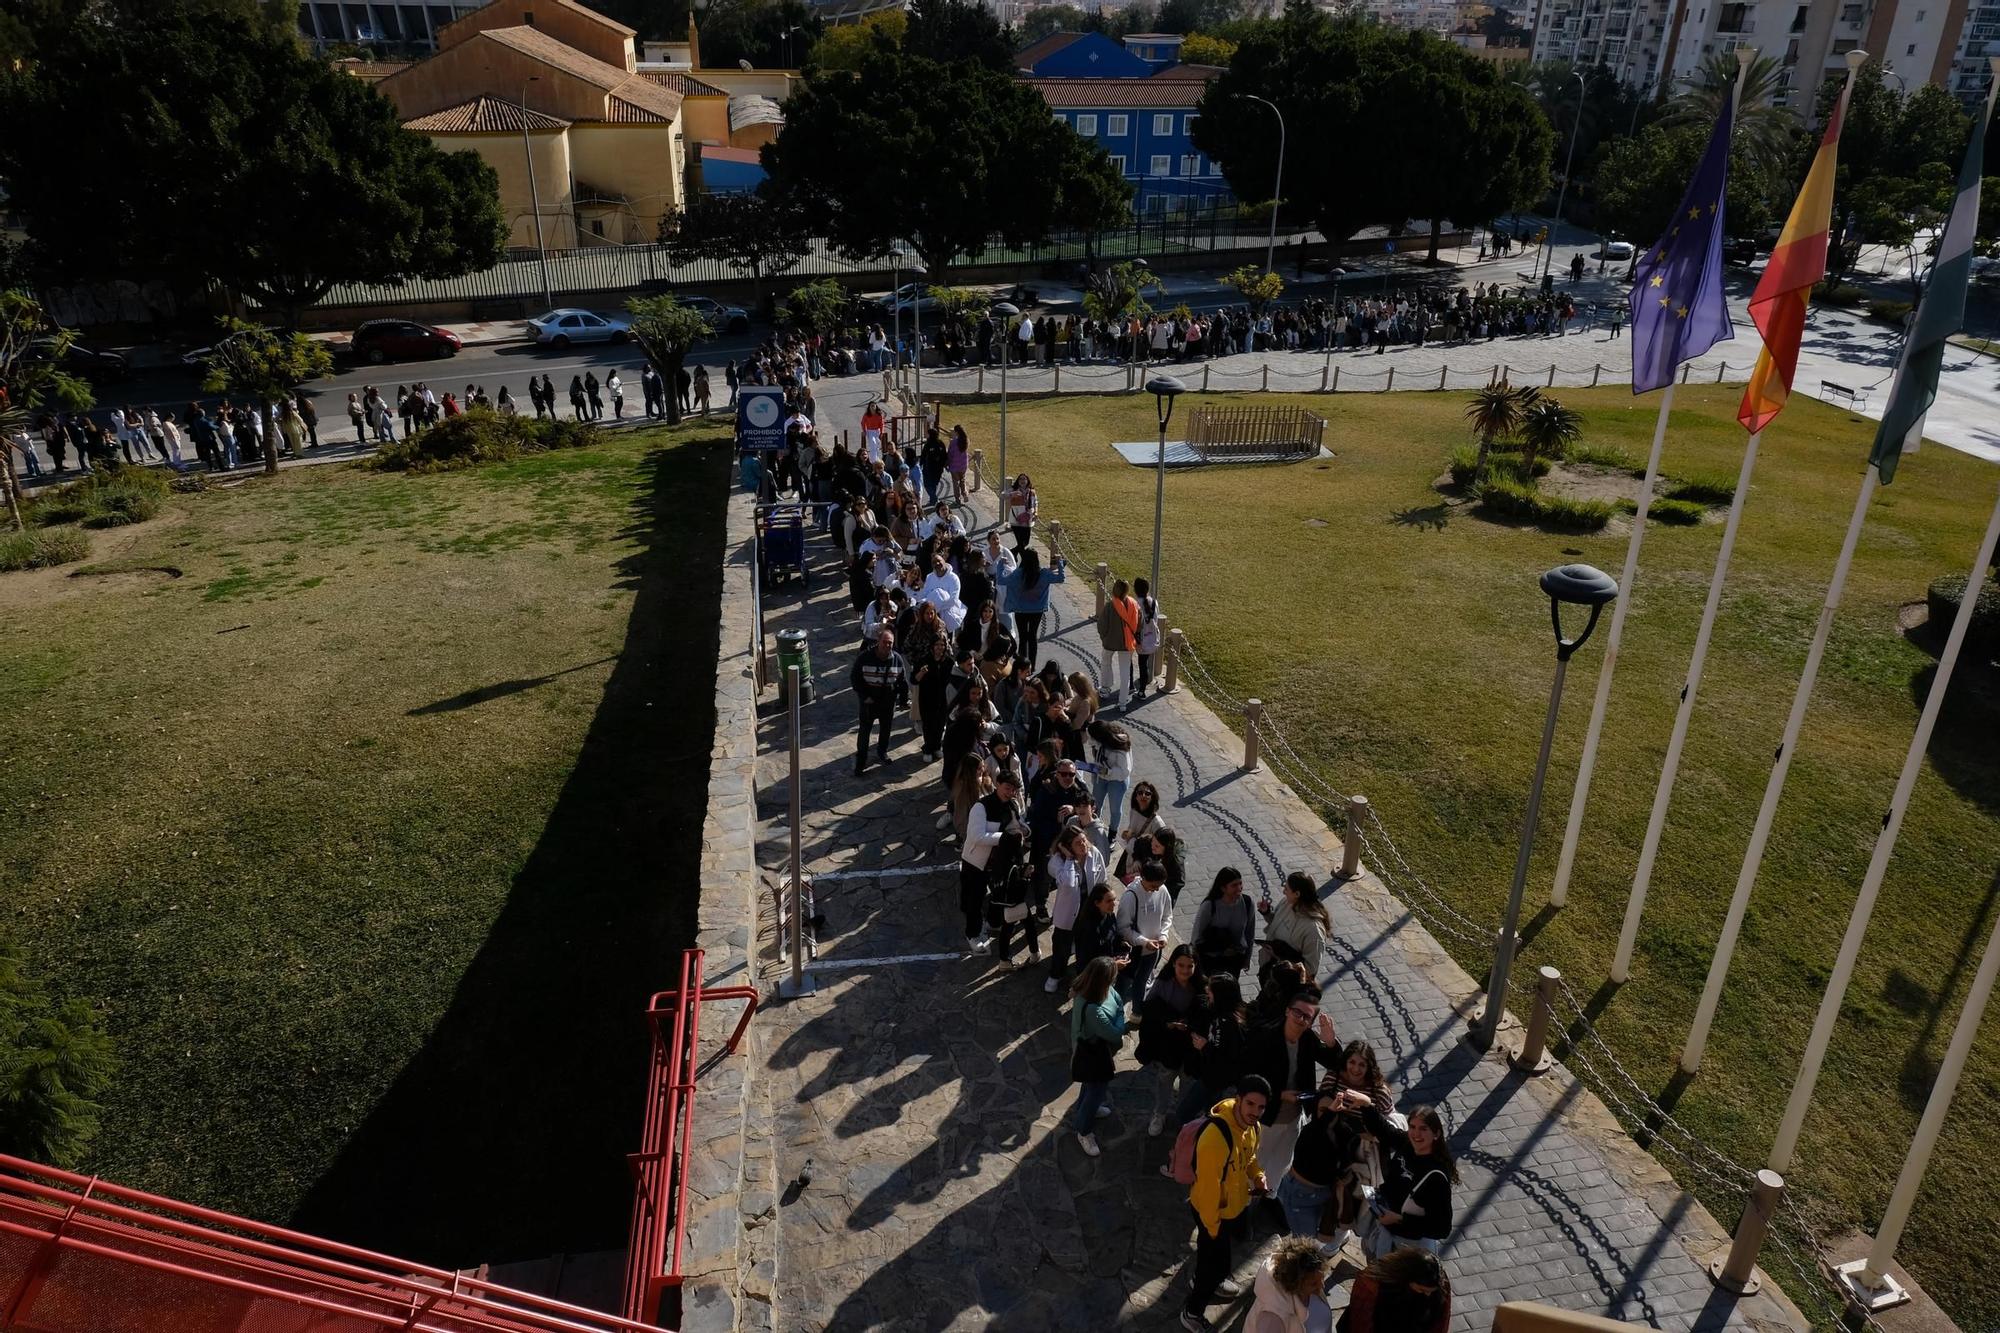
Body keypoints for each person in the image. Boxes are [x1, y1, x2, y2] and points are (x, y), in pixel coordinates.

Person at [1181, 1076, 1271, 1332]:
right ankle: (1192, 1312)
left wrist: (1257, 1175)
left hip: (1233, 1206)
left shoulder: (1252, 1127)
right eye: (1250, 1104)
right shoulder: (1215, 1138)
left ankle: (1204, 1277)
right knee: (1215, 1264)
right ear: (1239, 1100)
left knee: (1215, 1261)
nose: (1255, 1112)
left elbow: (1250, 1157)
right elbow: (1208, 1192)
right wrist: (1212, 1228)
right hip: (1213, 1214)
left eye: (1261, 1107)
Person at [1248, 988, 1344, 1189]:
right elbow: (1248, 1077)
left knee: (1281, 1164)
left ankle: (1269, 1196)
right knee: (1256, 1162)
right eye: (1297, 1012)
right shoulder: (1265, 1038)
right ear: (1287, 1011)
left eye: (1306, 1017)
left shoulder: (1308, 1039)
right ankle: (1246, 1201)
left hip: (1294, 1116)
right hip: (1267, 1117)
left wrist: (1331, 1043)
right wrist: (1280, 1095)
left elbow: (1335, 1064)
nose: (1300, 1019)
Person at [1362, 1105, 1457, 1258]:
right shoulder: (1408, 1143)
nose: (1416, 1134)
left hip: (1409, 1247)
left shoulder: (1436, 1177)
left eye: (1423, 1128)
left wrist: (1399, 1219)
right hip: (1385, 1230)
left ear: (1436, 1134)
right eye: (1412, 1127)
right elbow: (1385, 1131)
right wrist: (1365, 1105)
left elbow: (1441, 1228)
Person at [1138, 943, 1203, 1137]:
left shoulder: (1201, 986)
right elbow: (1150, 1010)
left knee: (1187, 1082)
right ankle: (1160, 1113)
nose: (1185, 970)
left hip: (1190, 1047)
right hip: (1169, 1045)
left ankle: (1184, 1115)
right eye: (1181, 965)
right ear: (1173, 964)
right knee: (1165, 1079)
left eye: (1189, 966)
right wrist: (1169, 1023)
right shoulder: (1163, 983)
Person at [1068, 955, 1128, 1157]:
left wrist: (1119, 1013)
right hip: (1093, 1055)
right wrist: (1121, 1017)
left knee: (1090, 1085)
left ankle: (1084, 1110)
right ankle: (1083, 1130)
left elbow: (1118, 1000)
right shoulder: (1093, 1008)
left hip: (1096, 1052)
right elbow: (1114, 1031)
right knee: (1096, 1089)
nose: (1115, 979)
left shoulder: (1099, 990)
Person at [962, 771, 1027, 950]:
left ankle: (993, 922)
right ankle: (973, 935)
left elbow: (1018, 823)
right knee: (975, 900)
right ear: (998, 784)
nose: (1010, 793)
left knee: (999, 894)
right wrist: (1006, 837)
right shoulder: (981, 807)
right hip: (977, 862)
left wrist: (1024, 830)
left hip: (1002, 862)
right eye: (1007, 788)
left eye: (1013, 790)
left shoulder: (1012, 805)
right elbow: (976, 836)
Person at [1044, 820, 1105, 992]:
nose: (1084, 844)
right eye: (1078, 843)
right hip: (1068, 913)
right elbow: (1069, 884)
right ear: (1067, 847)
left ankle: (1082, 977)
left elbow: (1101, 880)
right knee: (1061, 946)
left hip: (1089, 910)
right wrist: (1070, 860)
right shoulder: (1057, 862)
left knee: (1086, 946)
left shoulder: (1094, 854)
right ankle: (1055, 974)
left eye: (1084, 840)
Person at [1342, 1249, 1451, 1333]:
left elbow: (1441, 1320)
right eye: (1421, 1290)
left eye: (1431, 1291)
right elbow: (1361, 1319)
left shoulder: (1439, 1281)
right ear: (1408, 1278)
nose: (1428, 1295)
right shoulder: (1372, 1283)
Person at [1115, 859, 1172, 1008]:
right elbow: (1123, 928)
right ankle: (1115, 1011)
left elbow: (1167, 916)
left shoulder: (1162, 890)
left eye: (1159, 886)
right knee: (1123, 984)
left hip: (1153, 951)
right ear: (1143, 878)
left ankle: (1137, 1012)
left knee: (1142, 980)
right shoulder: (1130, 897)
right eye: (1153, 886)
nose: (1156, 890)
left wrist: (1163, 935)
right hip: (1133, 952)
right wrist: (1144, 941)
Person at [1247, 1235, 1333, 1333]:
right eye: (1313, 1284)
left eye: (1322, 1279)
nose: (1322, 1286)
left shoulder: (1312, 1288)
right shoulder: (1272, 1318)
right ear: (1295, 1284)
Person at [849, 628, 906, 777]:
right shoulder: (864, 658)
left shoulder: (897, 660)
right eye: (885, 642)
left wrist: (901, 697)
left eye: (890, 643)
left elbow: (902, 681)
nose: (887, 646)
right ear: (878, 642)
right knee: (864, 732)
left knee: (886, 729)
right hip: (869, 702)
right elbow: (855, 678)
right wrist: (864, 696)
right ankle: (861, 761)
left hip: (887, 702)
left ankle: (882, 752)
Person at [996, 547, 1063, 669]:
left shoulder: (1018, 574)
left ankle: (1023, 665)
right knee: (1032, 637)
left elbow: (1001, 580)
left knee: (1023, 638)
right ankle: (1033, 665)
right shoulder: (1044, 573)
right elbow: (1060, 578)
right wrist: (1060, 563)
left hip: (1020, 610)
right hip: (1037, 610)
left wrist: (1001, 565)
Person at [1260, 870, 1330, 983]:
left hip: (1288, 985)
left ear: (1297, 894)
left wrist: (1280, 959)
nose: (1283, 892)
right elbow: (1276, 922)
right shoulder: (1287, 903)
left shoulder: (1313, 930)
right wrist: (1267, 912)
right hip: (1270, 973)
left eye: (1287, 889)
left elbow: (1310, 969)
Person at [1192, 868, 1257, 982]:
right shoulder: (1209, 906)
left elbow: (1249, 933)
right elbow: (1197, 937)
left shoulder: (1247, 903)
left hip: (1235, 959)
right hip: (1212, 960)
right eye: (1234, 885)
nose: (1239, 888)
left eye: (1240, 884)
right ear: (1223, 888)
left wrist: (1247, 958)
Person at [1086, 719, 1132, 856]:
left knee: (1114, 808)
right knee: (1096, 804)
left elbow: (1125, 770)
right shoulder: (1100, 743)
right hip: (1101, 778)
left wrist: (1108, 772)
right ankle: (1094, 828)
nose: (1089, 741)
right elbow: (1098, 758)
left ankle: (1112, 834)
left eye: (1092, 738)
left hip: (1117, 781)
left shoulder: (1120, 747)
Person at [1098, 577, 1141, 707]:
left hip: (1110, 641)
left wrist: (1104, 637)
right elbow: (1140, 623)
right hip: (1127, 643)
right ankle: (1122, 701)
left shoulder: (1110, 606)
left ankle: (1105, 689)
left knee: (1106, 663)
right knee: (1125, 671)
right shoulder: (1134, 604)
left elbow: (1102, 626)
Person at [1117, 781, 1165, 880]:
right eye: (1140, 793)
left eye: (1147, 794)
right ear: (1136, 796)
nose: (1143, 796)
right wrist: (1127, 835)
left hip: (1143, 861)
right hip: (1130, 854)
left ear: (1152, 798)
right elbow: (1132, 830)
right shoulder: (1134, 811)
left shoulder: (1157, 822)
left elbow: (1160, 848)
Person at [1133, 576, 1162, 696]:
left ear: (1135, 590)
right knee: (1144, 664)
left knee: (1141, 665)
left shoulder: (1135, 604)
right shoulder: (1154, 602)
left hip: (1138, 639)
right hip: (1151, 638)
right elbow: (1156, 618)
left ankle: (1139, 689)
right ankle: (1142, 689)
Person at [1006, 474, 1037, 553]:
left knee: (1025, 543)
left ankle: (1012, 553)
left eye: (1024, 479)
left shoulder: (1032, 491)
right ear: (1018, 481)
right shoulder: (1013, 489)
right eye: (1020, 479)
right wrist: (1011, 494)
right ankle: (1023, 561)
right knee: (1020, 543)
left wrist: (1036, 512)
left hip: (1027, 520)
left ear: (1027, 480)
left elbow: (1035, 502)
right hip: (1015, 520)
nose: (1022, 481)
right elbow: (1002, 495)